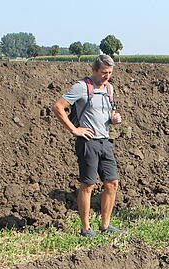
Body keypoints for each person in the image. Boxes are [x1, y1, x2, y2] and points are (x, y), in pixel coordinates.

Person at [51, 54, 126, 236]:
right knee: (88, 184)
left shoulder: (109, 89)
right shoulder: (81, 87)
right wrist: (74, 129)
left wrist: (114, 118)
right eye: (103, 72)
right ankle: (85, 228)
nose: (106, 76)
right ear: (94, 70)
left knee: (112, 183)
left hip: (105, 141)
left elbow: (107, 111)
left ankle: (105, 225)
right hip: (88, 143)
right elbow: (58, 106)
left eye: (109, 73)